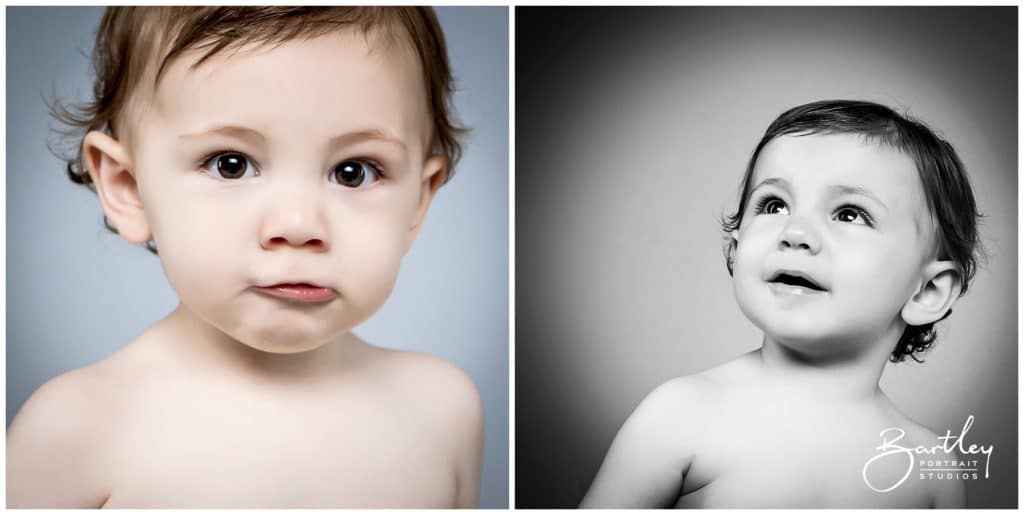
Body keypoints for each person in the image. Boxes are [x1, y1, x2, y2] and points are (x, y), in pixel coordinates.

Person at [7, 7, 482, 508]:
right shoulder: (76, 431)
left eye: (353, 172)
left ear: (418, 201)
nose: (298, 226)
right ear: (129, 187)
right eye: (231, 165)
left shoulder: (443, 410)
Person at [580, 100, 983, 508]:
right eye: (774, 205)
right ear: (735, 252)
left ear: (926, 292)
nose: (796, 232)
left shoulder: (931, 466)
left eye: (849, 214)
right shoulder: (683, 413)